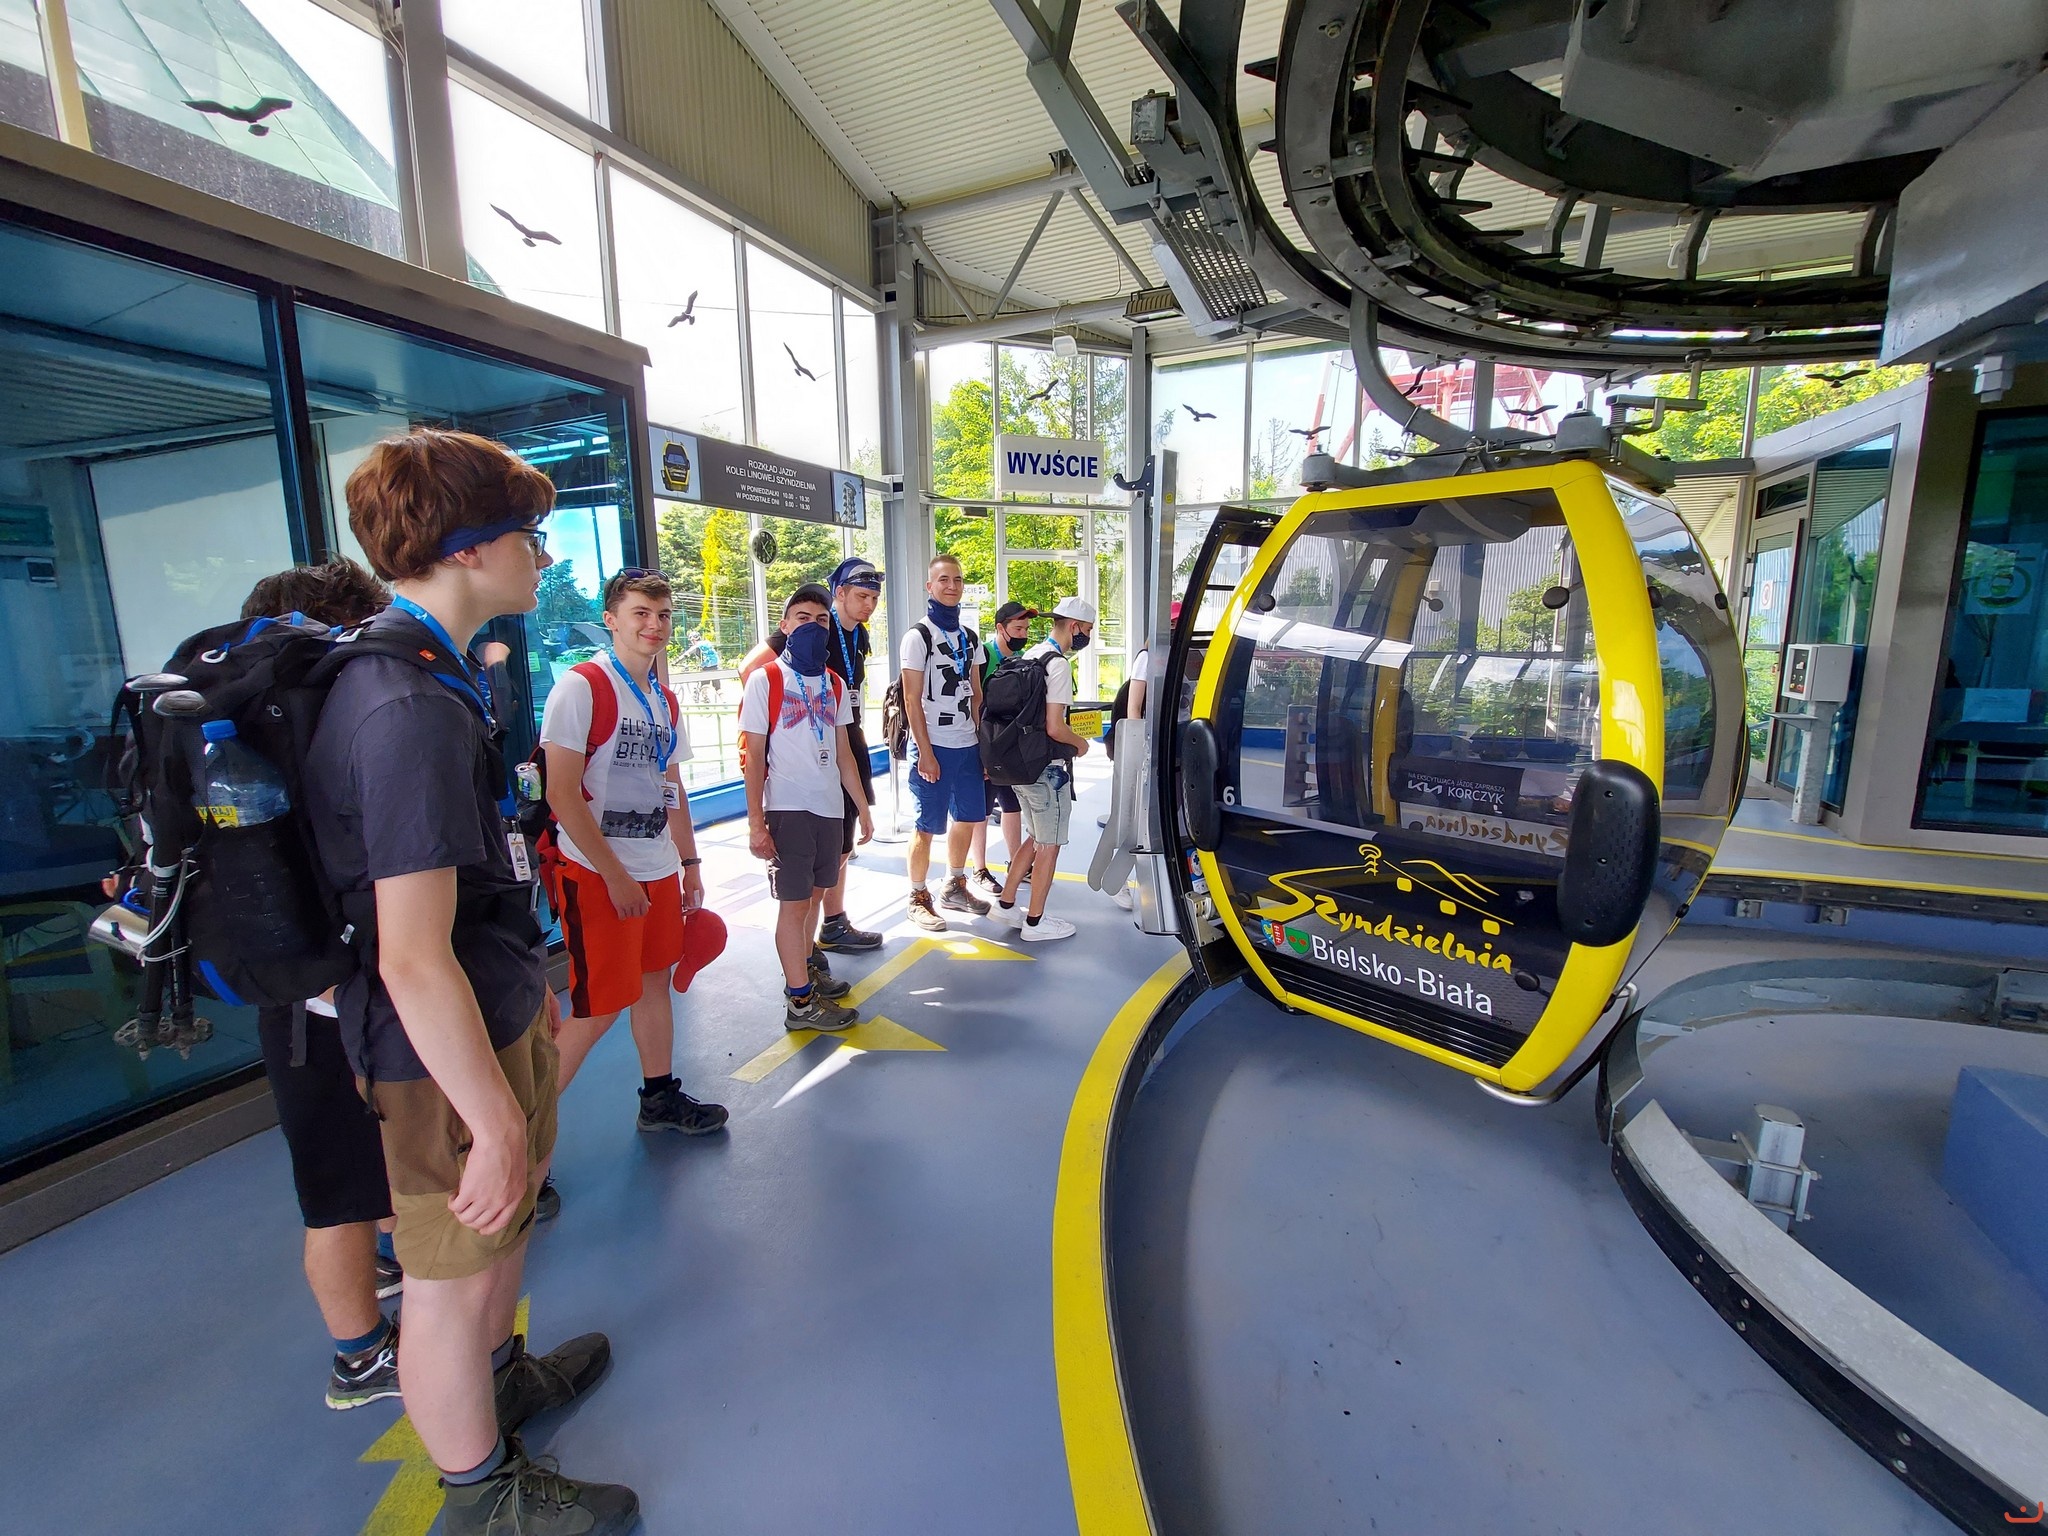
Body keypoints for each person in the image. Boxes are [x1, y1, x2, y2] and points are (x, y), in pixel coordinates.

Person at [304, 429, 638, 1535]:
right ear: (465, 548)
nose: (544, 556)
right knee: (447, 1276)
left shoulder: (441, 677)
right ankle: (477, 1493)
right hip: (433, 1050)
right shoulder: (400, 705)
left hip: (488, 1004)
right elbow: (408, 953)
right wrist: (489, 1117)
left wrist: (524, 996)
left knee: (503, 1229)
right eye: (529, 536)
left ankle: (501, 1384)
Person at [239, 559, 409, 1411]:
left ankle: (387, 1267)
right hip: (326, 996)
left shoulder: (252, 735)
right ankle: (360, 1358)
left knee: (350, 1170)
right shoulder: (314, 730)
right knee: (336, 1194)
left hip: (304, 990)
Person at [541, 568, 728, 1158]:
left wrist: (688, 862)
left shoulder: (663, 699)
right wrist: (616, 877)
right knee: (595, 1009)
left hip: (657, 866)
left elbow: (670, 787)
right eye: (641, 613)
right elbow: (560, 793)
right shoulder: (582, 688)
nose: (654, 625)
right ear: (611, 620)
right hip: (598, 872)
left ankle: (659, 1097)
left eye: (663, 614)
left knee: (653, 985)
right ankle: (521, 1148)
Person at [735, 557, 886, 955]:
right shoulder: (811, 626)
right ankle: (805, 950)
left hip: (844, 741)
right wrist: (773, 724)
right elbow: (749, 668)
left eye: (874, 598)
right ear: (840, 594)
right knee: (801, 880)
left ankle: (833, 922)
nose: (869, 604)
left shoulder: (859, 636)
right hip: (802, 757)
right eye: (862, 596)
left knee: (840, 848)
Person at [990, 596, 1096, 942]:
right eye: (1087, 630)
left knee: (1035, 837)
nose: (1087, 636)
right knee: (1049, 845)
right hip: (1048, 770)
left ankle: (1006, 904)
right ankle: (1035, 922)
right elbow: (1055, 726)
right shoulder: (1058, 665)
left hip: (1022, 766)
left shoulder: (1033, 654)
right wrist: (1080, 744)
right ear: (1074, 626)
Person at [899, 553, 988, 930]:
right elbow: (911, 699)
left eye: (957, 579)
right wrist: (925, 753)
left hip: (967, 744)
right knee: (927, 825)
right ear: (930, 586)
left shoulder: (969, 637)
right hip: (933, 744)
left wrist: (982, 746)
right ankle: (918, 895)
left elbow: (977, 694)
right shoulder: (918, 636)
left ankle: (954, 884)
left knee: (968, 817)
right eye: (944, 580)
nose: (952, 586)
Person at [969, 601, 1036, 899]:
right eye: (1018, 629)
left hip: (1011, 745)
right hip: (985, 743)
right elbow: (974, 702)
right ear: (1000, 628)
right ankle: (979, 869)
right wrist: (981, 748)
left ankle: (1016, 863)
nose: (1023, 634)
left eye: (1026, 629)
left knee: (1012, 805)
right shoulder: (983, 656)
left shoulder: (1023, 658)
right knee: (982, 809)